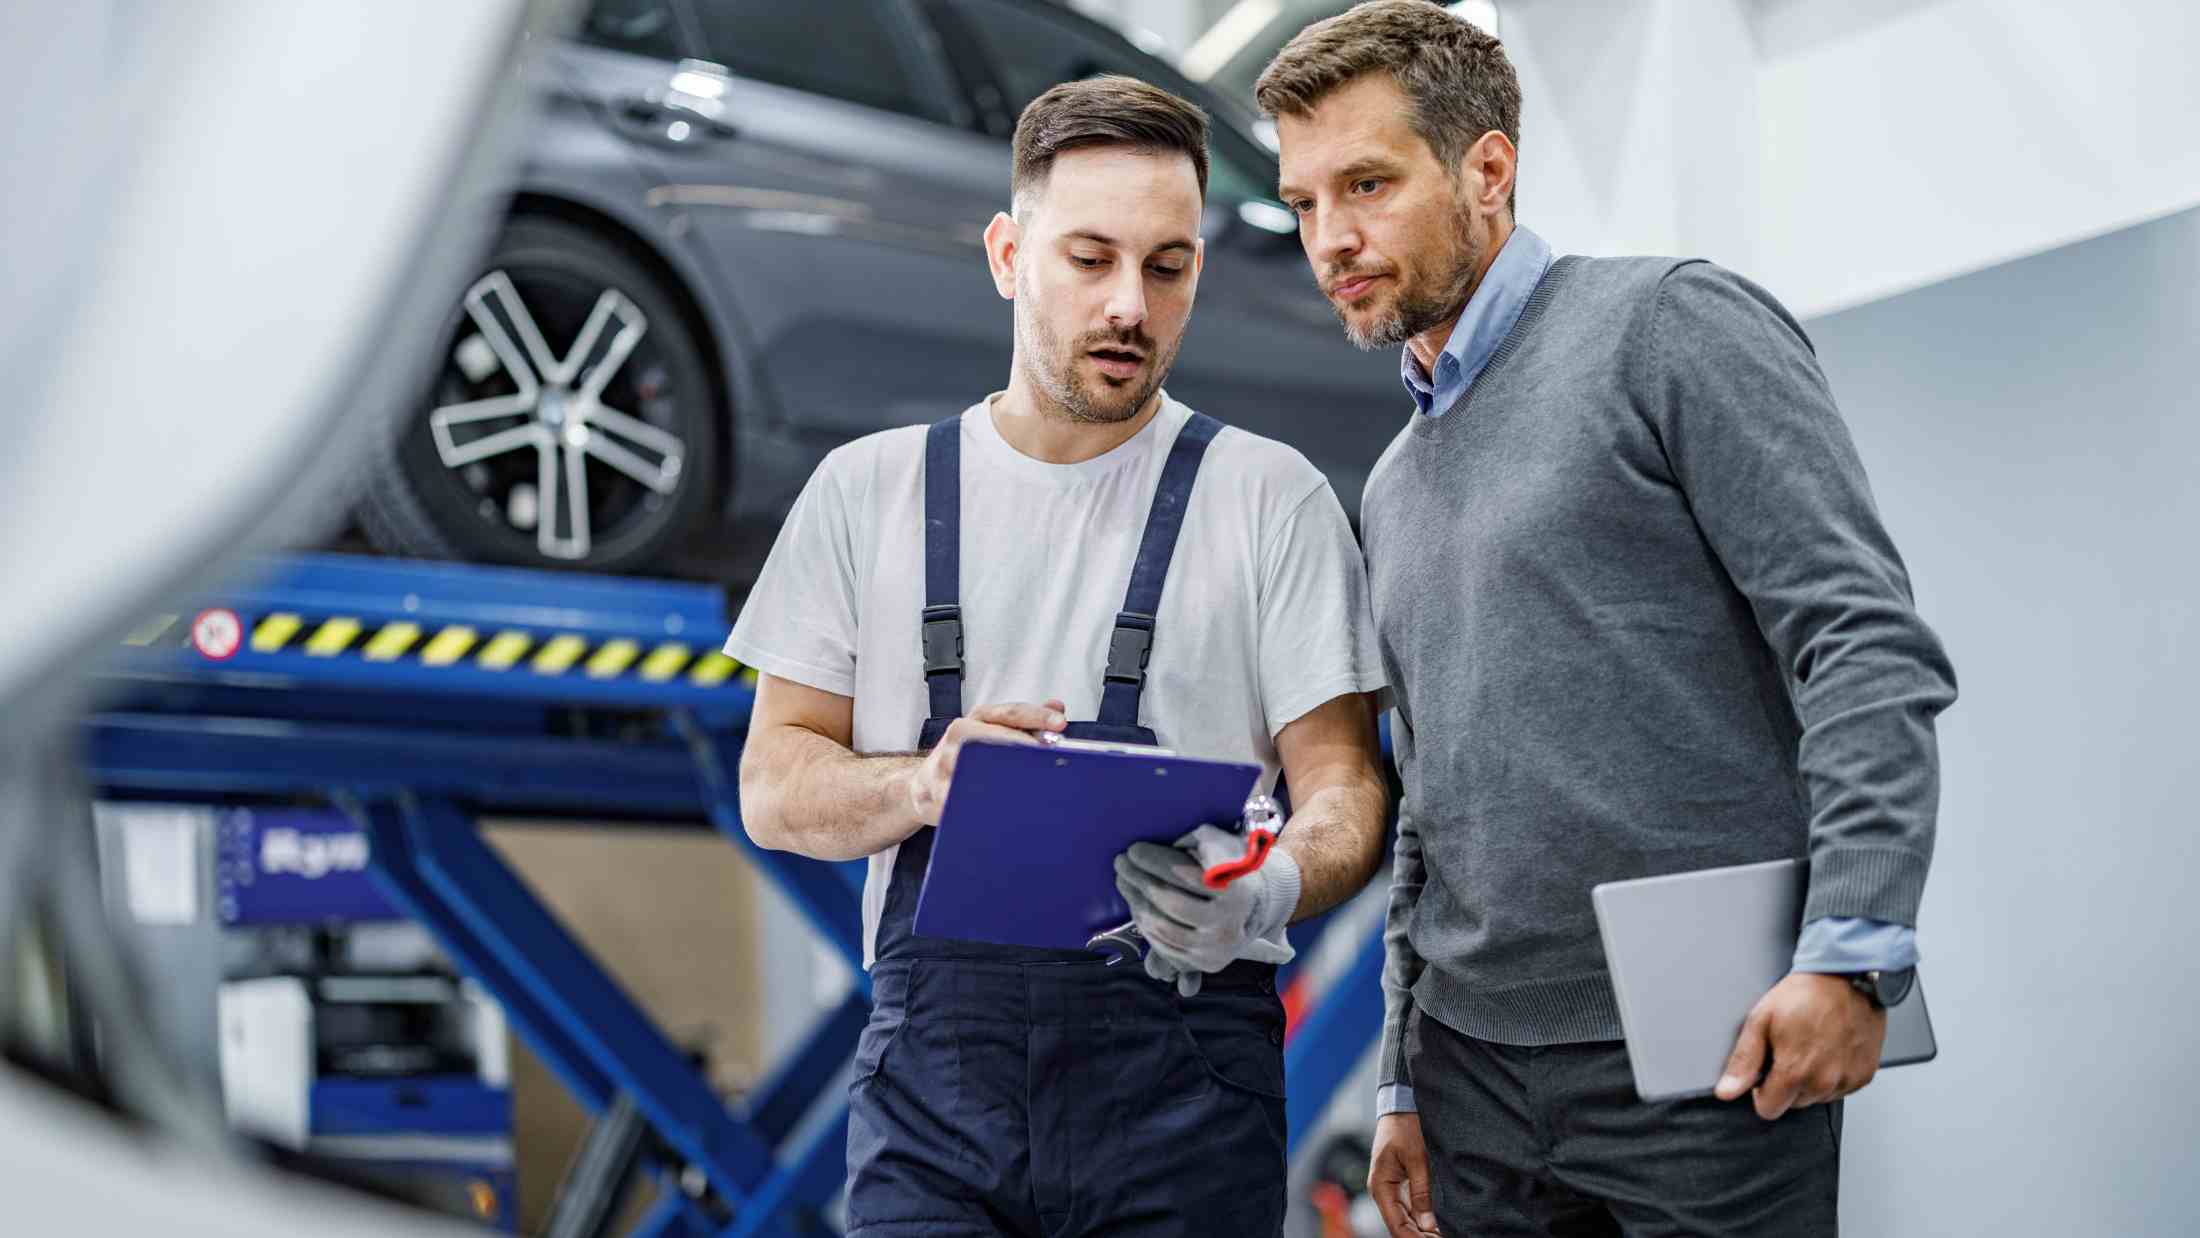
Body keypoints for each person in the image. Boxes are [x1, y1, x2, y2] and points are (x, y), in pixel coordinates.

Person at [1256, 4, 1960, 1236]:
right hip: (1474, 1080)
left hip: (1707, 1054)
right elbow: (1426, 801)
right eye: (1304, 202)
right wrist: (1403, 1074)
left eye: (1365, 183)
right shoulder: (1393, 482)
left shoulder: (1665, 325)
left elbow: (1861, 645)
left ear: (1487, 168)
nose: (1332, 238)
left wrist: (1854, 951)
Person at [728, 75, 1391, 1237]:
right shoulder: (866, 494)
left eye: (1168, 265)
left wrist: (1272, 885)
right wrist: (919, 784)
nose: (1130, 305)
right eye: (1089, 259)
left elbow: (1342, 784)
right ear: (1006, 252)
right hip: (940, 1105)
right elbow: (773, 785)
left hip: (1186, 1099)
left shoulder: (1269, 499)